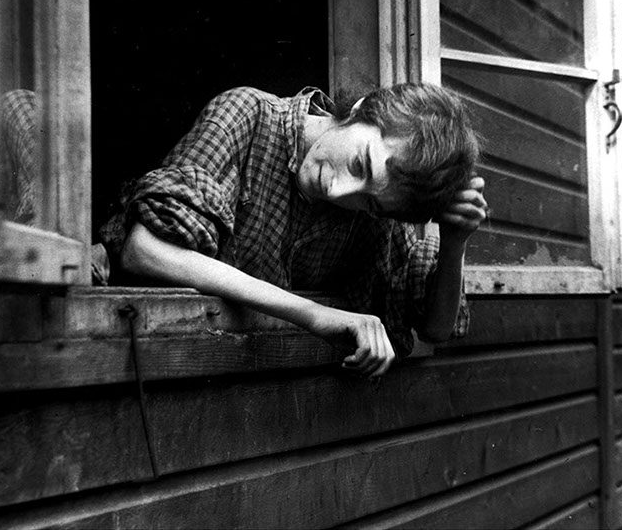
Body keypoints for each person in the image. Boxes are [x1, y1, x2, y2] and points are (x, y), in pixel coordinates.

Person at [99, 84, 487, 377]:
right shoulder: (246, 116)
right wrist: (313, 314)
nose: (339, 190)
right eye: (359, 164)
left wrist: (453, 244)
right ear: (359, 110)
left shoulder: (373, 219)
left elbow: (435, 329)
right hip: (132, 362)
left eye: (369, 202)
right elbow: (144, 249)